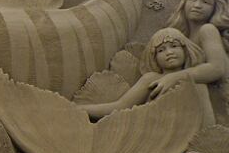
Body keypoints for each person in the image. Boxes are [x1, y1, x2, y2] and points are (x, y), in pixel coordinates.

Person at [79, 27, 214, 125]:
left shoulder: (198, 83)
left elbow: (208, 123)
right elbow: (121, 106)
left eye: (174, 46)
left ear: (186, 50)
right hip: (152, 136)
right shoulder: (151, 79)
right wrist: (81, 109)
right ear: (154, 58)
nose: (169, 52)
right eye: (161, 50)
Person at [148, 0, 229, 99]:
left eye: (205, 2)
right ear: (184, 3)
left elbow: (216, 68)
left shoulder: (207, 30)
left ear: (214, 9)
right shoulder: (182, 36)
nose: (197, 5)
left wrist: (175, 77)